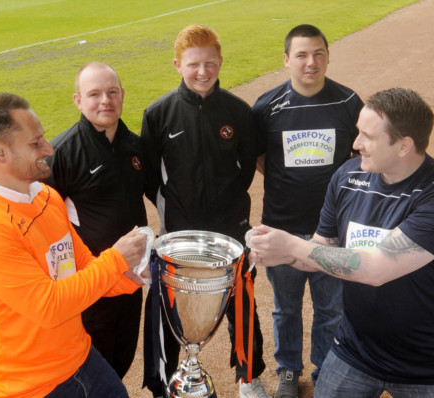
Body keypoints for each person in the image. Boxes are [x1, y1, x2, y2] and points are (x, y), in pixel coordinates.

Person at [248, 88, 434, 398]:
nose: (356, 144)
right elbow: (321, 251)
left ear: (404, 145)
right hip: (354, 353)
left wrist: (293, 247)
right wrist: (275, 252)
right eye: (357, 132)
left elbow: (375, 269)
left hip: (427, 366)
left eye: (367, 136)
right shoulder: (347, 177)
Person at [0, 92, 148, 398]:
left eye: (43, 137)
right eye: (35, 144)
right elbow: (49, 307)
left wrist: (132, 276)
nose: (48, 148)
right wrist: (116, 261)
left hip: (81, 358)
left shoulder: (46, 196)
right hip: (30, 388)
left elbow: (82, 266)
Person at [141, 24, 269, 398]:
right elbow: (151, 177)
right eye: (194, 64)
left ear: (220, 62)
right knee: (169, 309)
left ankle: (249, 376)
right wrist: (176, 209)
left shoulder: (238, 111)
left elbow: (246, 168)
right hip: (179, 231)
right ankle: (163, 382)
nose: (202, 72)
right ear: (178, 64)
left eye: (210, 63)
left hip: (230, 228)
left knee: (241, 303)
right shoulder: (158, 114)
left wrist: (228, 204)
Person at [251, 24, 364, 397]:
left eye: (318, 53)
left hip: (331, 229)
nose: (310, 62)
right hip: (281, 227)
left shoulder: (348, 103)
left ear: (328, 56)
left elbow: (360, 157)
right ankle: (288, 370)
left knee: (331, 308)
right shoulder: (267, 106)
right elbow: (260, 158)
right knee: (285, 309)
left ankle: (324, 369)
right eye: (301, 55)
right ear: (286, 61)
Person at [43, 62, 150, 379]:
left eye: (112, 92)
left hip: (131, 277)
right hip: (91, 283)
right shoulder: (61, 153)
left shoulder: (135, 145)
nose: (105, 100)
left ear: (122, 95)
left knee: (122, 357)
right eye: (94, 94)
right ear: (78, 100)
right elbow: (45, 223)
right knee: (93, 366)